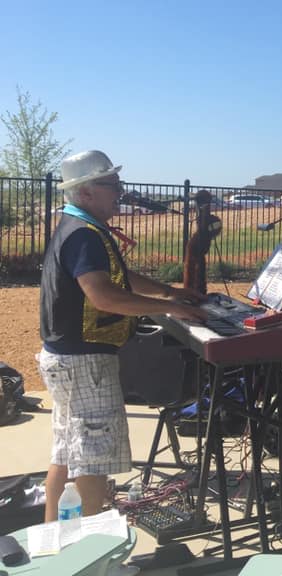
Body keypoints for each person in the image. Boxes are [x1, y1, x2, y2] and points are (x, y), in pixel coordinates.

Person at [38, 150, 208, 520]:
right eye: (112, 185)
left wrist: (168, 292)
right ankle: (85, 546)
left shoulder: (80, 226)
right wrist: (168, 308)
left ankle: (51, 538)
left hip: (67, 359)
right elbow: (103, 296)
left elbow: (118, 277)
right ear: (86, 192)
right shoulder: (84, 235)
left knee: (66, 453)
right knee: (92, 461)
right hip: (85, 364)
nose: (120, 192)